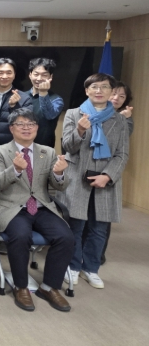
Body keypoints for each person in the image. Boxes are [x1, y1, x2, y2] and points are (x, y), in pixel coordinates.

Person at [0, 108, 74, 312]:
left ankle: (49, 287)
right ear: (12, 128)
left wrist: (60, 174)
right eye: (21, 124)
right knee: (21, 236)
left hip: (42, 206)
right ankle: (21, 287)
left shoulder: (48, 152)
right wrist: (16, 169)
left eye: (31, 124)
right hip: (12, 207)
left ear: (37, 128)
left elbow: (59, 186)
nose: (26, 128)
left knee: (66, 237)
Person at [60, 73, 129, 289]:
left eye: (105, 87)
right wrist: (80, 130)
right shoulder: (73, 114)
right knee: (76, 225)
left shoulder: (120, 120)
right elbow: (67, 146)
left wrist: (107, 176)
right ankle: (72, 266)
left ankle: (91, 268)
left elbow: (122, 154)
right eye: (94, 87)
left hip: (105, 181)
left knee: (99, 229)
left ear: (111, 92)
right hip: (77, 177)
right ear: (87, 90)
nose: (99, 91)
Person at [97, 81, 133, 263]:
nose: (116, 98)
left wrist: (125, 120)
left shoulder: (125, 120)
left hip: (109, 170)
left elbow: (122, 149)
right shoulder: (91, 112)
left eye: (122, 96)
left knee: (104, 215)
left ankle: (98, 254)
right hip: (87, 169)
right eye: (114, 93)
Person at [0, 58, 32, 157]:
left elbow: (25, 126)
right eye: (0, 73)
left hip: (13, 152)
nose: (4, 76)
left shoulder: (24, 98)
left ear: (14, 75)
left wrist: (14, 106)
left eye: (9, 73)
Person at [25, 58, 64, 148]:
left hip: (44, 148)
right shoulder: (21, 96)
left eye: (44, 75)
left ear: (51, 77)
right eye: (36, 74)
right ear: (30, 75)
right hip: (20, 146)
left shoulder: (56, 99)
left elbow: (49, 115)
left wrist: (43, 93)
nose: (39, 78)